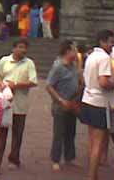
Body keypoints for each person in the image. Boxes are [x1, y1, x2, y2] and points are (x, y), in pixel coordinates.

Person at [0, 39, 38, 175]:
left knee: (17, 134)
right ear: (14, 48)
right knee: (0, 134)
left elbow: (33, 82)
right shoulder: (4, 61)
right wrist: (3, 84)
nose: (23, 50)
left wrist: (16, 85)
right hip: (5, 103)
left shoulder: (29, 63)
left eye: (25, 48)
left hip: (20, 104)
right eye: (20, 47)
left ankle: (14, 158)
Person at [79, 29, 114, 180]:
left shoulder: (91, 56)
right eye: (111, 42)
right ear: (102, 42)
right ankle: (91, 176)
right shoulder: (104, 58)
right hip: (99, 102)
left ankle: (93, 174)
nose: (112, 45)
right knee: (98, 143)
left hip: (88, 100)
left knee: (92, 141)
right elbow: (103, 82)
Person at [45, 40, 81, 172]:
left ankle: (69, 157)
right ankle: (55, 159)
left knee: (71, 132)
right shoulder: (58, 67)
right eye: (74, 50)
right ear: (67, 52)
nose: (76, 52)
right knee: (59, 133)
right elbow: (48, 86)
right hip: (60, 104)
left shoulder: (73, 65)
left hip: (72, 102)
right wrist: (60, 100)